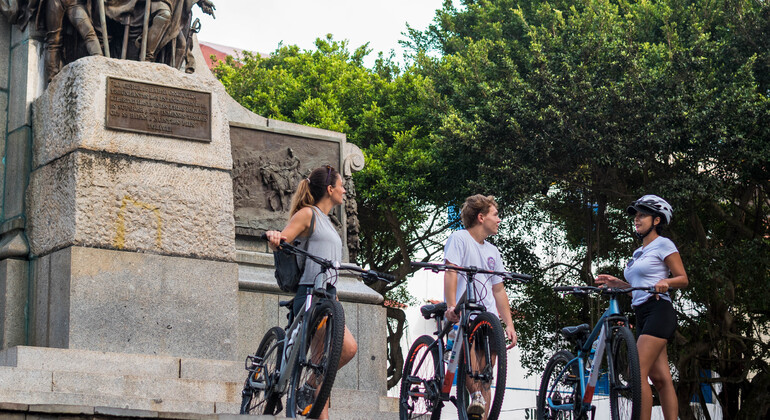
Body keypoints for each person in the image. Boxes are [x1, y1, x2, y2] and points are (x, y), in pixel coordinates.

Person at [264, 165, 357, 420]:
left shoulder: (328, 221)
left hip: (329, 297)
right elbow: (284, 240)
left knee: (344, 351)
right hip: (310, 296)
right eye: (341, 185)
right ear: (330, 189)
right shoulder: (308, 214)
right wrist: (275, 238)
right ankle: (310, 391)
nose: (344, 189)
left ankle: (309, 387)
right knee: (324, 362)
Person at [595, 195, 688, 420]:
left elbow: (683, 278)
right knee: (661, 379)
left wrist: (667, 282)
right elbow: (638, 288)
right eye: (636, 215)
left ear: (656, 220)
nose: (636, 219)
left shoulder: (663, 244)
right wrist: (619, 284)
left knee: (636, 374)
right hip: (642, 313)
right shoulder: (638, 253)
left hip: (659, 311)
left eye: (642, 215)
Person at [443, 194, 517, 420]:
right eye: (496, 215)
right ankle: (475, 398)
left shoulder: (494, 251)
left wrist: (509, 324)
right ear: (481, 217)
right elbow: (451, 271)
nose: (499, 220)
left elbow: (498, 290)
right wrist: (451, 306)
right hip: (466, 313)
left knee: (487, 375)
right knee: (470, 365)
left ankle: (482, 413)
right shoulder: (459, 238)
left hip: (489, 317)